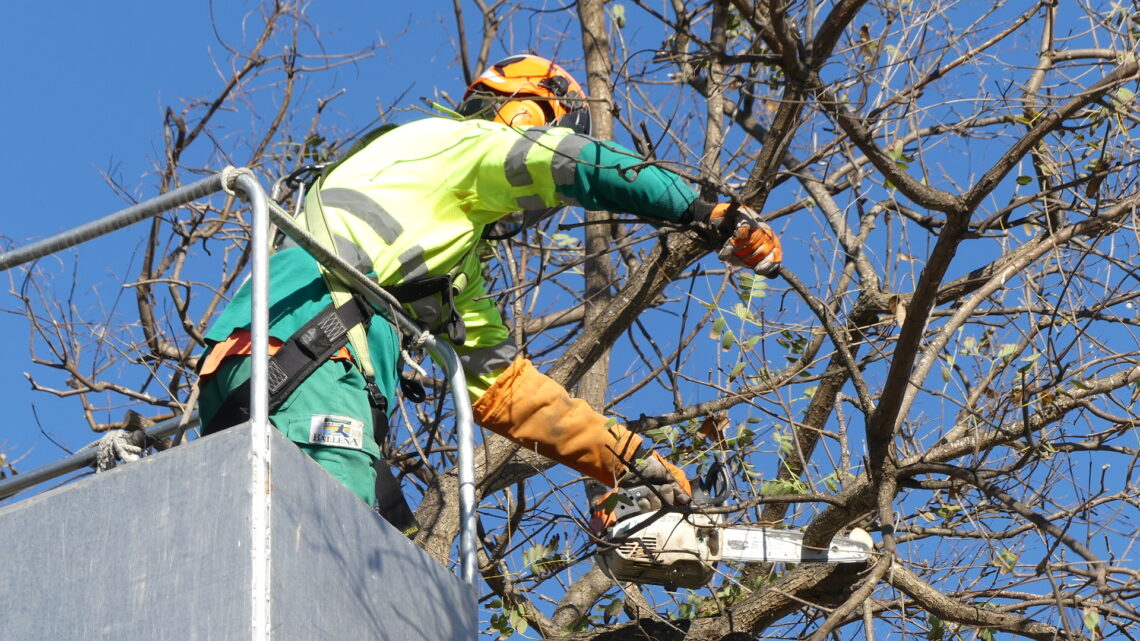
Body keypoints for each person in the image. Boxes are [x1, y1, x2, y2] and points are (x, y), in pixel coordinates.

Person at [195, 54, 782, 533]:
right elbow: (575, 162)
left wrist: (629, 462)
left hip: (265, 366)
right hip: (314, 362)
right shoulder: (457, 144)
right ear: (525, 113)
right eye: (546, 126)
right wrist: (709, 212)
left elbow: (506, 391)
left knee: (339, 563)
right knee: (323, 565)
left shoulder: (437, 243)